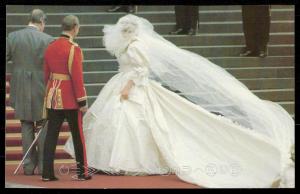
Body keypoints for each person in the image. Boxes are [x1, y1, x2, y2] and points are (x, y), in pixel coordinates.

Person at [64, 14, 294, 188]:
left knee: (135, 121)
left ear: (131, 32)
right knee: (123, 121)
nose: (121, 34)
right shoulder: (131, 45)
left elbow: (141, 70)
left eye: (125, 31)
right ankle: (113, 159)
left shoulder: (135, 48)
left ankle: (128, 161)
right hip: (124, 83)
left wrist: (127, 87)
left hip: (133, 86)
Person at [42, 15, 91, 181]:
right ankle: (82, 172)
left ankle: (47, 173)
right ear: (75, 27)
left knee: (51, 136)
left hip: (53, 95)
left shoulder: (51, 46)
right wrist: (82, 101)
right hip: (70, 98)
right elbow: (77, 77)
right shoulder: (73, 48)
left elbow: (46, 75)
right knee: (78, 136)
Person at [6, 9, 53, 176]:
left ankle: (27, 167)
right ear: (41, 21)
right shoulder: (48, 39)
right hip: (41, 85)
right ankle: (42, 165)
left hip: (20, 86)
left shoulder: (13, 37)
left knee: (25, 124)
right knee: (42, 124)